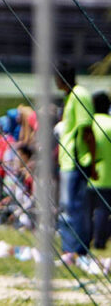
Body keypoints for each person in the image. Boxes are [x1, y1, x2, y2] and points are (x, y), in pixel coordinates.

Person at [56, 60, 99, 260]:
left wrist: (92, 160)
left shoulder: (79, 94)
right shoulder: (71, 96)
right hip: (68, 160)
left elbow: (87, 130)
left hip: (75, 161)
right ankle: (74, 249)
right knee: (73, 206)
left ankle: (73, 250)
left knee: (71, 207)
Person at [89, 91, 111, 249]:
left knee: (88, 211)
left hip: (89, 173)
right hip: (108, 174)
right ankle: (100, 241)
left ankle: (86, 240)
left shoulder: (89, 124)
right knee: (103, 210)